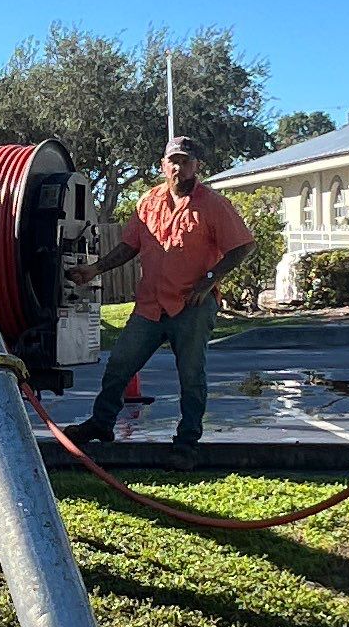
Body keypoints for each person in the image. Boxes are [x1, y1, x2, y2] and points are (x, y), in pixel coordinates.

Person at [77, 139, 249, 456]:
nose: (178, 167)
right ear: (163, 165)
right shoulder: (148, 201)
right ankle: (101, 423)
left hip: (192, 306)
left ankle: (187, 441)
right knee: (119, 365)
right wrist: (95, 269)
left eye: (185, 161)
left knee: (191, 375)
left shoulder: (213, 204)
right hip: (150, 306)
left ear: (196, 166)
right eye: (173, 161)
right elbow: (129, 246)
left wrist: (209, 280)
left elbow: (243, 245)